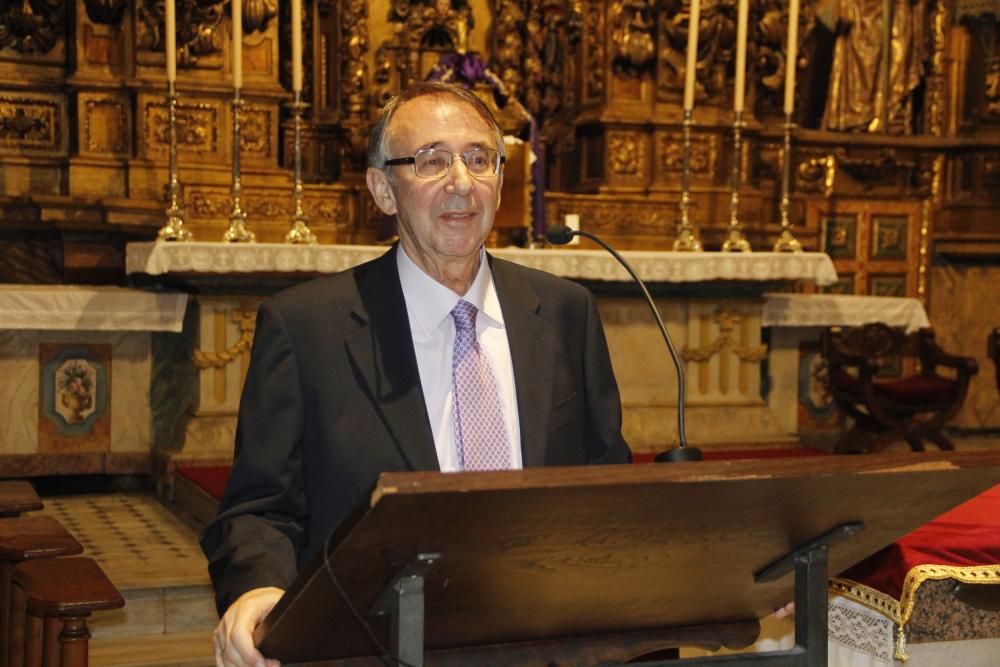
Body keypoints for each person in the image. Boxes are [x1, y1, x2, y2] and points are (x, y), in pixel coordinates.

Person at [201, 81, 631, 667]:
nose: (461, 181)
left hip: (545, 644)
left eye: (479, 159)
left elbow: (610, 488)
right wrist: (258, 588)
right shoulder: (306, 330)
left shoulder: (564, 312)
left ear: (502, 181)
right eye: (431, 160)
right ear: (383, 189)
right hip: (374, 645)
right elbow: (260, 510)